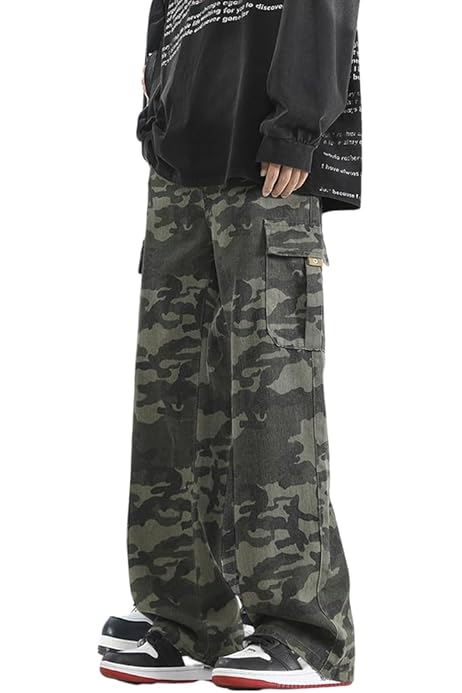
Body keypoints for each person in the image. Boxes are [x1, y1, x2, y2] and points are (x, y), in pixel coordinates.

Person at [99, 0, 361, 688]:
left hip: (266, 158)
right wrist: (157, 113)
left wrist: (298, 125)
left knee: (274, 401)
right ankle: (187, 617)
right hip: (181, 165)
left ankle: (304, 631)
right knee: (172, 396)